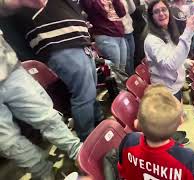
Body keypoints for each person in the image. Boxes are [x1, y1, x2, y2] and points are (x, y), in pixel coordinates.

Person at [0, 1, 82, 179]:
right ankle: (46, 175)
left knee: (46, 118)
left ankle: (82, 157)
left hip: (8, 69)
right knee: (7, 143)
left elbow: (5, 6)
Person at [14, 0, 101, 141]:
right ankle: (89, 139)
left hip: (75, 40)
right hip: (60, 41)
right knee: (84, 94)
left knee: (89, 91)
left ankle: (98, 124)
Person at [117, 85, 194, 180]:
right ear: (180, 122)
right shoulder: (190, 160)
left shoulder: (128, 142)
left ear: (137, 123)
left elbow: (122, 171)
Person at [144, 0, 194, 101]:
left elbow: (172, 56)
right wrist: (188, 32)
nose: (161, 13)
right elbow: (170, 65)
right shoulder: (152, 40)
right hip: (166, 93)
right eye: (156, 12)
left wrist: (185, 62)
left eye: (164, 9)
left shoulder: (167, 33)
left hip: (174, 87)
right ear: (151, 17)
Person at [82, 0, 128, 72]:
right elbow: (92, 9)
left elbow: (122, 13)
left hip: (119, 34)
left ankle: (122, 83)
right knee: (115, 70)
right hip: (105, 35)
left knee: (122, 69)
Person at [121, 0, 136, 75]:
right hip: (120, 33)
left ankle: (133, 77)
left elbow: (132, 10)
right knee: (127, 59)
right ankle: (129, 80)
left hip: (129, 30)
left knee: (132, 56)